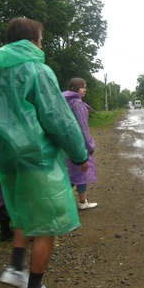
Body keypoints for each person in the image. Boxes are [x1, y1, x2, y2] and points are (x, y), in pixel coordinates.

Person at [0, 17, 89, 288]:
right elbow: (57, 119)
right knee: (47, 225)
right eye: (40, 38)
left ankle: (16, 267)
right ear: (31, 41)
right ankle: (35, 284)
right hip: (37, 158)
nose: (42, 43)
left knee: (25, 213)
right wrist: (79, 154)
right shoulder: (37, 71)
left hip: (6, 158)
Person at [63, 78, 98, 210]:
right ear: (74, 88)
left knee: (76, 173)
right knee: (79, 171)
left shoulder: (67, 102)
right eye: (82, 87)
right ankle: (64, 203)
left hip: (68, 143)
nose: (85, 89)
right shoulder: (77, 103)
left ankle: (82, 201)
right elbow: (82, 127)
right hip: (78, 144)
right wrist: (89, 146)